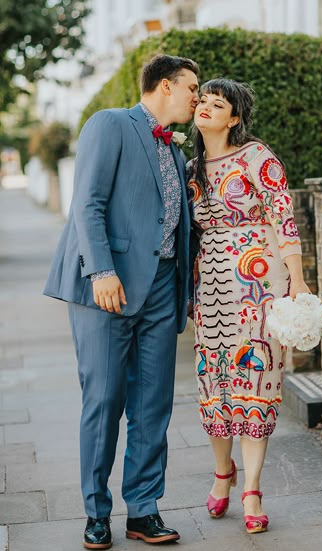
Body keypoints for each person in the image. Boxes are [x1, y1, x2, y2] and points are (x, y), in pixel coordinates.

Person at [44, 54, 200, 549]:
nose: (197, 96)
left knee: (152, 405)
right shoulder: (110, 124)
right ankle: (96, 512)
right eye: (191, 87)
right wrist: (103, 271)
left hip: (161, 286)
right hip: (106, 288)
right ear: (164, 86)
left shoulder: (174, 149)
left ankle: (144, 510)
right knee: (105, 400)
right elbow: (86, 202)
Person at [187, 78, 311, 534]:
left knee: (255, 379)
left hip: (259, 281)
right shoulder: (190, 166)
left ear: (233, 118)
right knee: (215, 382)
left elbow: (284, 215)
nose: (204, 108)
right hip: (211, 286)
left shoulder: (258, 157)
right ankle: (223, 474)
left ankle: (253, 488)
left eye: (216, 104)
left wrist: (296, 279)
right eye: (202, 101)